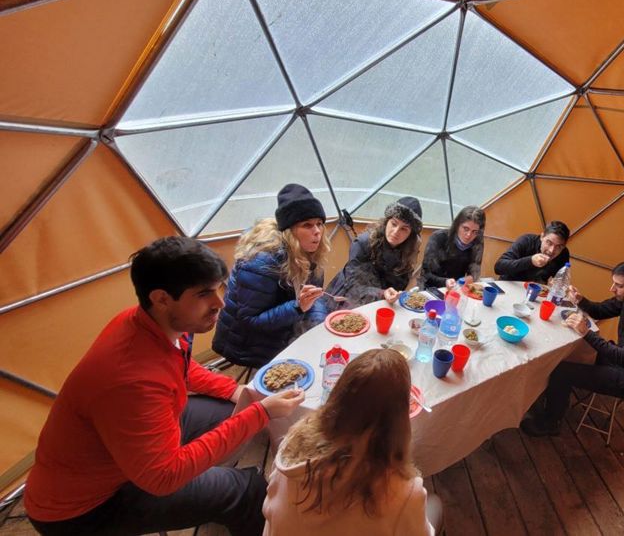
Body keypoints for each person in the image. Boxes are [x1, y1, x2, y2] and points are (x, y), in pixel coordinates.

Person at [24, 237, 305, 536]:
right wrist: (260, 413)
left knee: (234, 411)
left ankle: (215, 496)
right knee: (248, 489)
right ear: (161, 299)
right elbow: (163, 477)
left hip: (134, 446)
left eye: (218, 288)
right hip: (85, 506)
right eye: (204, 293)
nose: (219, 303)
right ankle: (231, 498)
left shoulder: (151, 323)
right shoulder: (132, 382)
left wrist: (238, 392)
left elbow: (181, 366)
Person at [262, 348, 442, 535]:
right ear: (401, 419)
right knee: (435, 504)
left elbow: (270, 508)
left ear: (337, 395)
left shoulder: (291, 445)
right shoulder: (404, 493)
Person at [520, 259, 624, 437]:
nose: (612, 289)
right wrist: (580, 300)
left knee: (561, 372)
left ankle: (551, 423)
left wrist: (586, 332)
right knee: (569, 354)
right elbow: (600, 310)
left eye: (619, 285)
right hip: (620, 360)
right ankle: (555, 396)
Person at [214, 183, 331, 368]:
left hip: (283, 327)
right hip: (248, 342)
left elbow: (313, 298)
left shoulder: (310, 252)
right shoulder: (261, 262)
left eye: (319, 223)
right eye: (307, 225)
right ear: (290, 231)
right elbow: (250, 321)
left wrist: (319, 323)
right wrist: (297, 307)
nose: (317, 231)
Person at [326, 196, 423, 308]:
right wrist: (382, 293)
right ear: (386, 222)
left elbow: (401, 283)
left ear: (410, 234)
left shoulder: (408, 252)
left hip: (381, 302)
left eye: (404, 229)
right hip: (346, 299)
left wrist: (393, 294)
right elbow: (353, 286)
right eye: (394, 224)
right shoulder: (363, 243)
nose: (396, 231)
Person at [419, 206, 485, 289]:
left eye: (474, 232)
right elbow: (426, 274)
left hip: (455, 287)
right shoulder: (439, 237)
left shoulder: (477, 242)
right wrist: (445, 281)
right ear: (457, 225)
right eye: (465, 228)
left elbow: (475, 271)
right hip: (430, 287)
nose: (468, 235)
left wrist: (470, 278)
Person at [494, 220, 571, 283]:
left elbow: (560, 280)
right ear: (542, 237)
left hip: (536, 292)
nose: (551, 250)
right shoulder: (527, 241)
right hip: (509, 285)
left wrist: (563, 287)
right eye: (549, 243)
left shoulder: (563, 253)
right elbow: (498, 267)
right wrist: (530, 261)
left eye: (558, 247)